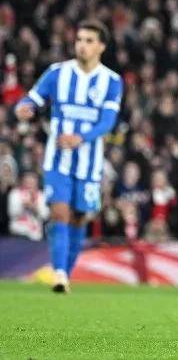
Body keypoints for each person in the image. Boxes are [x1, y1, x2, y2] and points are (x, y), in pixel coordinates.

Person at [14, 20, 123, 293]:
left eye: (89, 41)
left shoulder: (111, 81)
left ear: (101, 46)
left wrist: (81, 138)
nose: (82, 46)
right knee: (59, 212)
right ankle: (59, 274)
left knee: (79, 218)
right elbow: (32, 98)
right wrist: (24, 107)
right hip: (57, 160)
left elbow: (107, 122)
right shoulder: (57, 73)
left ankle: (66, 272)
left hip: (89, 164)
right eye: (79, 40)